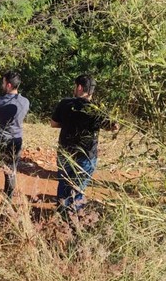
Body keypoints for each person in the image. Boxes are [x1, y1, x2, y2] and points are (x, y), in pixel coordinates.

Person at [51, 74, 118, 215]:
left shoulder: (65, 103)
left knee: (63, 185)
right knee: (78, 189)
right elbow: (114, 126)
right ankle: (74, 218)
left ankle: (61, 217)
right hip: (86, 155)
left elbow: (54, 123)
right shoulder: (97, 108)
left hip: (65, 152)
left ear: (80, 87)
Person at [0, 71, 30, 199]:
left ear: (8, 85)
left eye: (3, 82)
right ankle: (7, 203)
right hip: (15, 140)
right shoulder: (25, 102)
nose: (2, 84)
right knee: (10, 171)